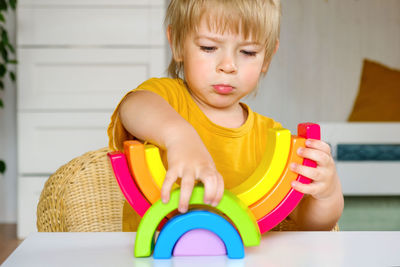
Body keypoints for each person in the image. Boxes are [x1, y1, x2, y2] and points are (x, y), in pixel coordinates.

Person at [108, 0, 344, 231]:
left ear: (268, 56)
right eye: (209, 48)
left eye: (248, 52)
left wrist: (327, 194)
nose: (228, 65)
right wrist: (179, 137)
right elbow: (133, 106)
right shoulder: (166, 100)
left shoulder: (272, 139)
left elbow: (308, 223)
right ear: (178, 44)